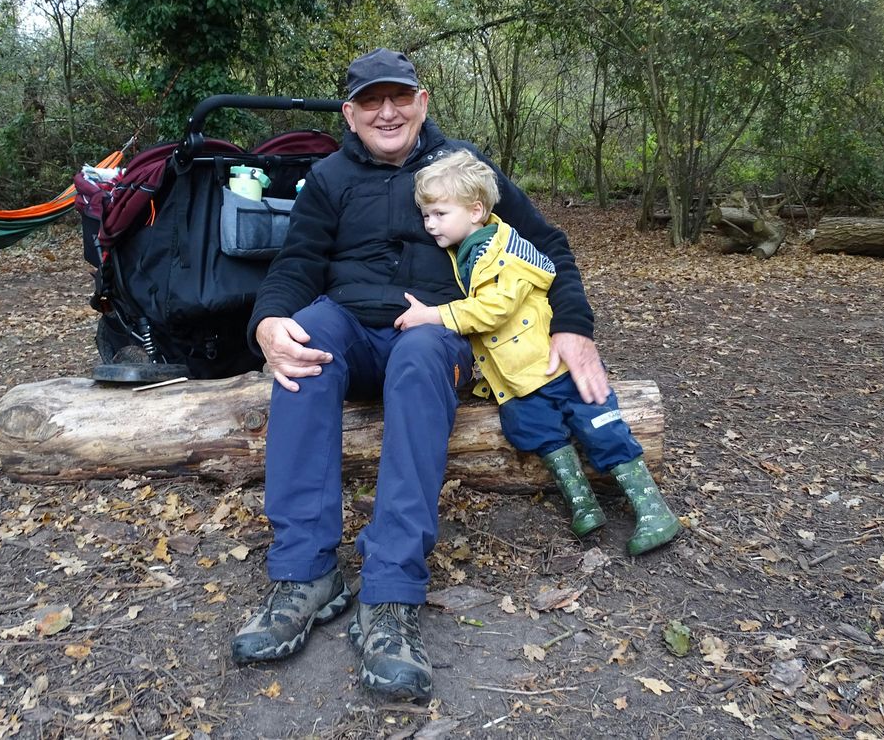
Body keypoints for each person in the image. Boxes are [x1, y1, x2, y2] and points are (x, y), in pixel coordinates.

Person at [230, 48, 612, 702]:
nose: (387, 111)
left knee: (423, 350)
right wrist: (267, 325)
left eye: (399, 97)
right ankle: (304, 574)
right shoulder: (328, 179)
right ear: (349, 114)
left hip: (439, 334)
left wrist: (574, 326)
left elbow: (548, 247)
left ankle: (390, 595)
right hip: (350, 325)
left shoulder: (465, 170)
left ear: (422, 102)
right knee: (307, 340)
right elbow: (295, 267)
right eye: (371, 101)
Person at [395, 149, 681, 552]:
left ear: (476, 210)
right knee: (534, 431)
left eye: (439, 214)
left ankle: (652, 509)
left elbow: (496, 309)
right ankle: (581, 501)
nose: (429, 224)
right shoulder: (466, 250)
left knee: (599, 425)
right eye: (426, 215)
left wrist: (435, 316)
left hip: (552, 365)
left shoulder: (501, 250)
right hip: (514, 380)